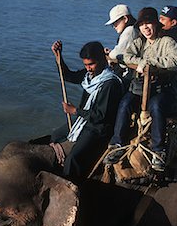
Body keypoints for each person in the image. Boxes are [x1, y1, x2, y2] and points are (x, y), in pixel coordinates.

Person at [106, 7, 177, 171]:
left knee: (156, 106)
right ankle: (117, 143)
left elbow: (175, 62)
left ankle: (158, 150)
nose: (146, 28)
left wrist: (149, 63)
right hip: (141, 88)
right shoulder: (139, 42)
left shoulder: (167, 42)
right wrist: (140, 63)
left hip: (162, 89)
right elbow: (124, 56)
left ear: (156, 24)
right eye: (142, 25)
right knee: (125, 102)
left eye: (149, 23)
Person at [50, 40, 124, 181]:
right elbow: (68, 76)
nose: (88, 68)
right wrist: (59, 57)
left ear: (102, 60)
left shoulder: (110, 83)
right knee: (55, 135)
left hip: (99, 128)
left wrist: (75, 111)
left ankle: (74, 185)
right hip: (85, 120)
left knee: (73, 158)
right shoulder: (89, 75)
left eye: (91, 64)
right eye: (86, 65)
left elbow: (101, 116)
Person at [104, 4, 139, 88]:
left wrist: (108, 54)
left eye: (115, 22)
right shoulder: (133, 29)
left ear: (125, 19)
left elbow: (117, 53)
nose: (114, 26)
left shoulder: (129, 31)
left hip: (130, 74)